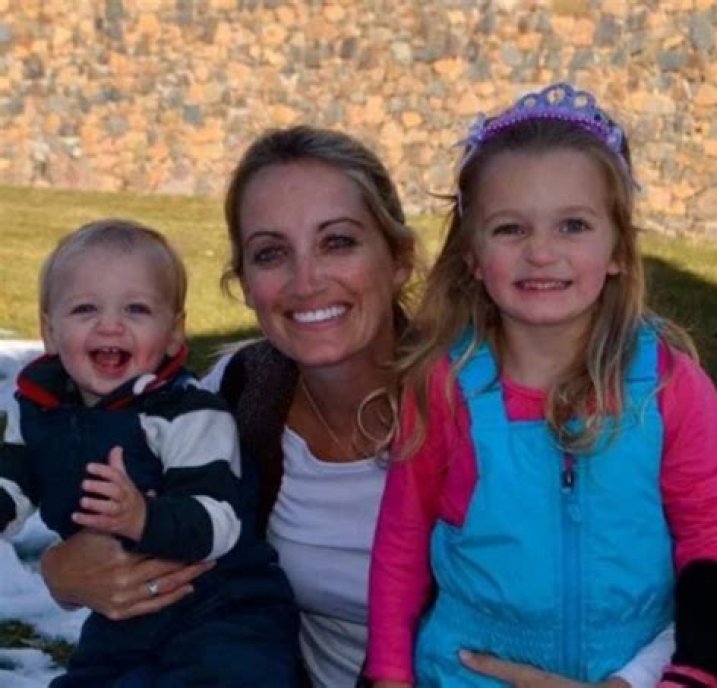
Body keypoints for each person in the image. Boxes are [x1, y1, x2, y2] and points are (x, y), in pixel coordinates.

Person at [38, 125, 681, 688]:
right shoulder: (235, 397)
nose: (306, 280)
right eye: (271, 253)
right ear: (245, 285)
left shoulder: (504, 398)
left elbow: (689, 560)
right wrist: (63, 571)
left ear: (398, 260)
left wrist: (633, 682)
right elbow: (140, 524)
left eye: (338, 242)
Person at [366, 83, 717, 687]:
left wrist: (695, 671)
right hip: (470, 669)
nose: (541, 253)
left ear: (618, 248)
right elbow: (402, 543)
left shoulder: (668, 385)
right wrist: (390, 676)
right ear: (473, 255)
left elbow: (710, 534)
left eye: (573, 225)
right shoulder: (446, 387)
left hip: (636, 667)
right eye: (510, 229)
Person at [0, 219, 299, 686]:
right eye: (84, 308)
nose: (110, 324)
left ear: (174, 333)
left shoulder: (187, 413)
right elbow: (13, 483)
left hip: (224, 612)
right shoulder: (40, 410)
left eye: (136, 309)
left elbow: (220, 520)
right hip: (122, 619)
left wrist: (143, 518)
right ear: (50, 331)